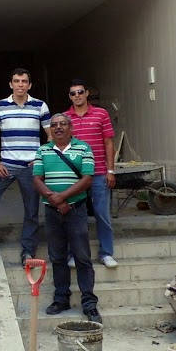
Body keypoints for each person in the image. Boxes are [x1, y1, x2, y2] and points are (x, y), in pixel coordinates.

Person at [0, 68, 51, 267]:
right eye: (17, 81)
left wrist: (41, 158)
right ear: (11, 84)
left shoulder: (40, 106)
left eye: (24, 81)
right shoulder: (0, 106)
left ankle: (28, 251)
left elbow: (50, 136)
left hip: (31, 167)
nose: (20, 84)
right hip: (5, 165)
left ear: (29, 85)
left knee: (31, 210)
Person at [32, 113, 102, 323]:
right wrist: (53, 199)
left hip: (76, 211)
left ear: (71, 128)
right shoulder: (43, 150)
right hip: (52, 212)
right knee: (57, 257)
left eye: (63, 124)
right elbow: (36, 178)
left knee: (82, 257)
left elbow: (88, 178)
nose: (58, 128)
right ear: (50, 129)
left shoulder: (83, 148)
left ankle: (89, 304)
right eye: (54, 125)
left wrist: (62, 197)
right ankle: (61, 299)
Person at [65, 79, 117, 268]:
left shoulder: (101, 114)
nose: (77, 96)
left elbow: (108, 143)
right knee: (73, 216)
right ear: (69, 96)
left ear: (87, 93)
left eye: (80, 92)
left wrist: (110, 170)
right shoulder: (65, 118)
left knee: (102, 214)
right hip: (74, 176)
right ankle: (73, 254)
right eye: (73, 93)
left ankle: (106, 253)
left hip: (99, 173)